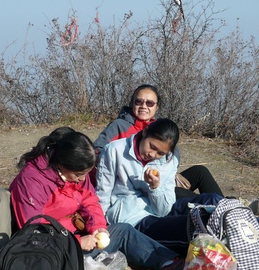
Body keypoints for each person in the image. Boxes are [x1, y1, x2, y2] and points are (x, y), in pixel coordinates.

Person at [9, 127, 192, 270]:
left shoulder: (75, 171)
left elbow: (90, 201)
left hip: (77, 237)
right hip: (50, 248)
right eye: (79, 175)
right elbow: (34, 231)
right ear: (62, 164)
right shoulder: (32, 181)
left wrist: (98, 227)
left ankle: (170, 262)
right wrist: (76, 243)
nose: (82, 180)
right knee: (55, 266)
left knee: (121, 230)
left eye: (85, 175)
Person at [95, 118, 259, 270]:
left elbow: (163, 207)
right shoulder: (114, 151)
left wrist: (156, 186)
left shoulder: (167, 161)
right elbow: (103, 194)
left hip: (160, 207)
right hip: (134, 218)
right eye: (151, 146)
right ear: (144, 133)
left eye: (160, 152)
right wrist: (100, 228)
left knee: (214, 201)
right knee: (195, 225)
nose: (152, 154)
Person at [94, 84, 235, 202]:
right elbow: (98, 151)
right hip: (137, 186)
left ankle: (225, 204)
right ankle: (221, 206)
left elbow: (174, 153)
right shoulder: (119, 126)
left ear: (157, 107)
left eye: (149, 103)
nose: (144, 106)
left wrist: (166, 169)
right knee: (180, 194)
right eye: (139, 102)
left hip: (163, 177)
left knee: (200, 171)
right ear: (132, 104)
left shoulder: (161, 127)